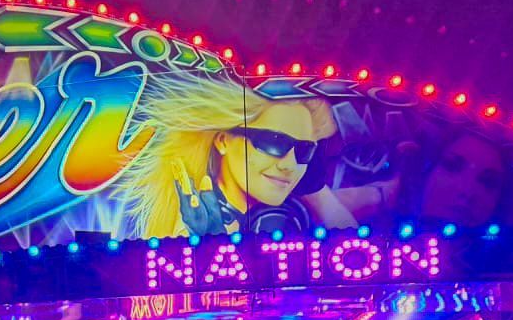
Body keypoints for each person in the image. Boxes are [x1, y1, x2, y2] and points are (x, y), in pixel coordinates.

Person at [113, 74, 354, 239]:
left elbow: (354, 251)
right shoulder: (191, 217)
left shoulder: (290, 215)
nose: (289, 165)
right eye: (273, 143)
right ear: (223, 140)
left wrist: (317, 192)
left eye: (304, 150)